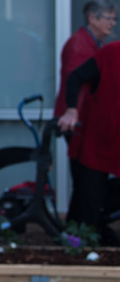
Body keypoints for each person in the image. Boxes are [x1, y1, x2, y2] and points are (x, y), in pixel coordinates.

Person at [54, 0, 116, 229]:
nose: (113, 23)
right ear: (92, 18)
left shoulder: (96, 44)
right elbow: (75, 80)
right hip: (78, 123)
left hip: (83, 121)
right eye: (109, 18)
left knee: (85, 182)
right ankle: (80, 230)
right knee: (86, 180)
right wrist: (74, 114)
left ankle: (77, 229)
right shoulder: (80, 44)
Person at [58, 40, 120, 245]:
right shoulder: (112, 52)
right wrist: (71, 110)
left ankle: (96, 231)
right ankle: (78, 245)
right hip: (99, 138)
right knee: (88, 197)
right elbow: (75, 77)